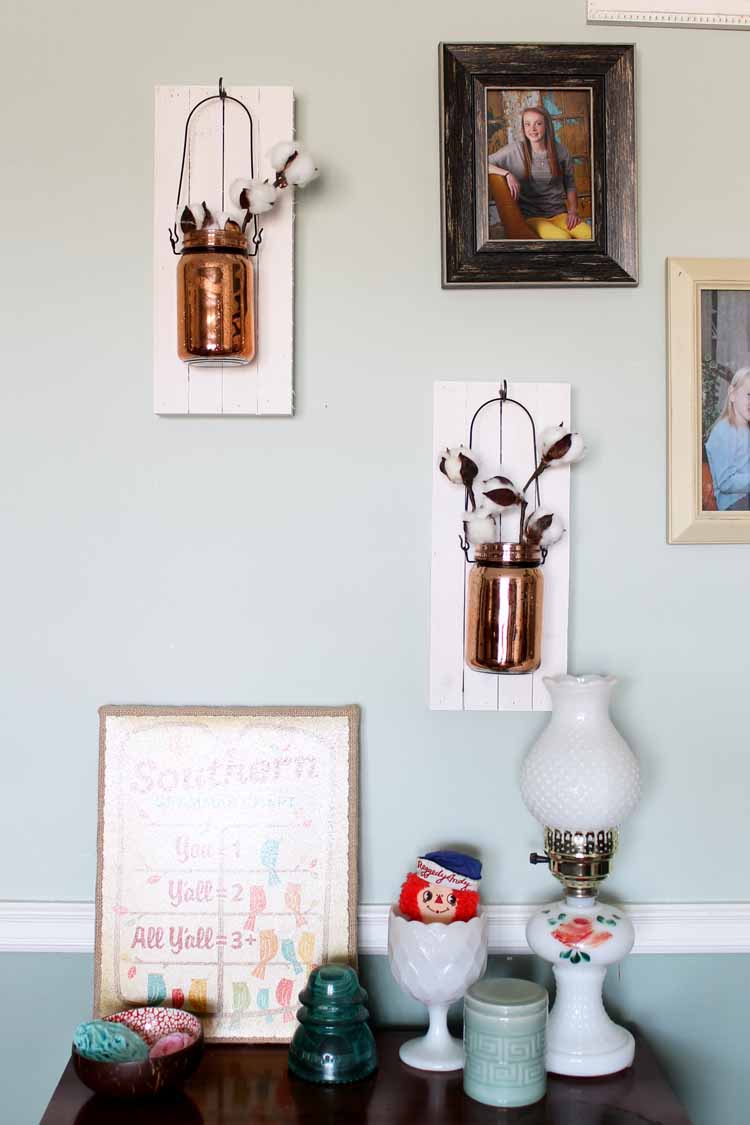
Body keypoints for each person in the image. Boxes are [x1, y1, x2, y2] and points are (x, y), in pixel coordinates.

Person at [488, 105, 592, 240]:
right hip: (534, 218)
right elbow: (480, 162)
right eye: (527, 124)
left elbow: (570, 184)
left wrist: (573, 211)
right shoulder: (515, 150)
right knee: (562, 238)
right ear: (523, 127)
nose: (532, 129)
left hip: (560, 214)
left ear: (546, 126)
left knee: (588, 235)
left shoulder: (561, 151)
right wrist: (507, 174)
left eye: (538, 123)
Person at [705, 366, 750, 510]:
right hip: (734, 502)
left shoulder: (745, 427)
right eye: (749, 394)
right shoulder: (723, 431)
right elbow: (725, 482)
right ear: (732, 394)